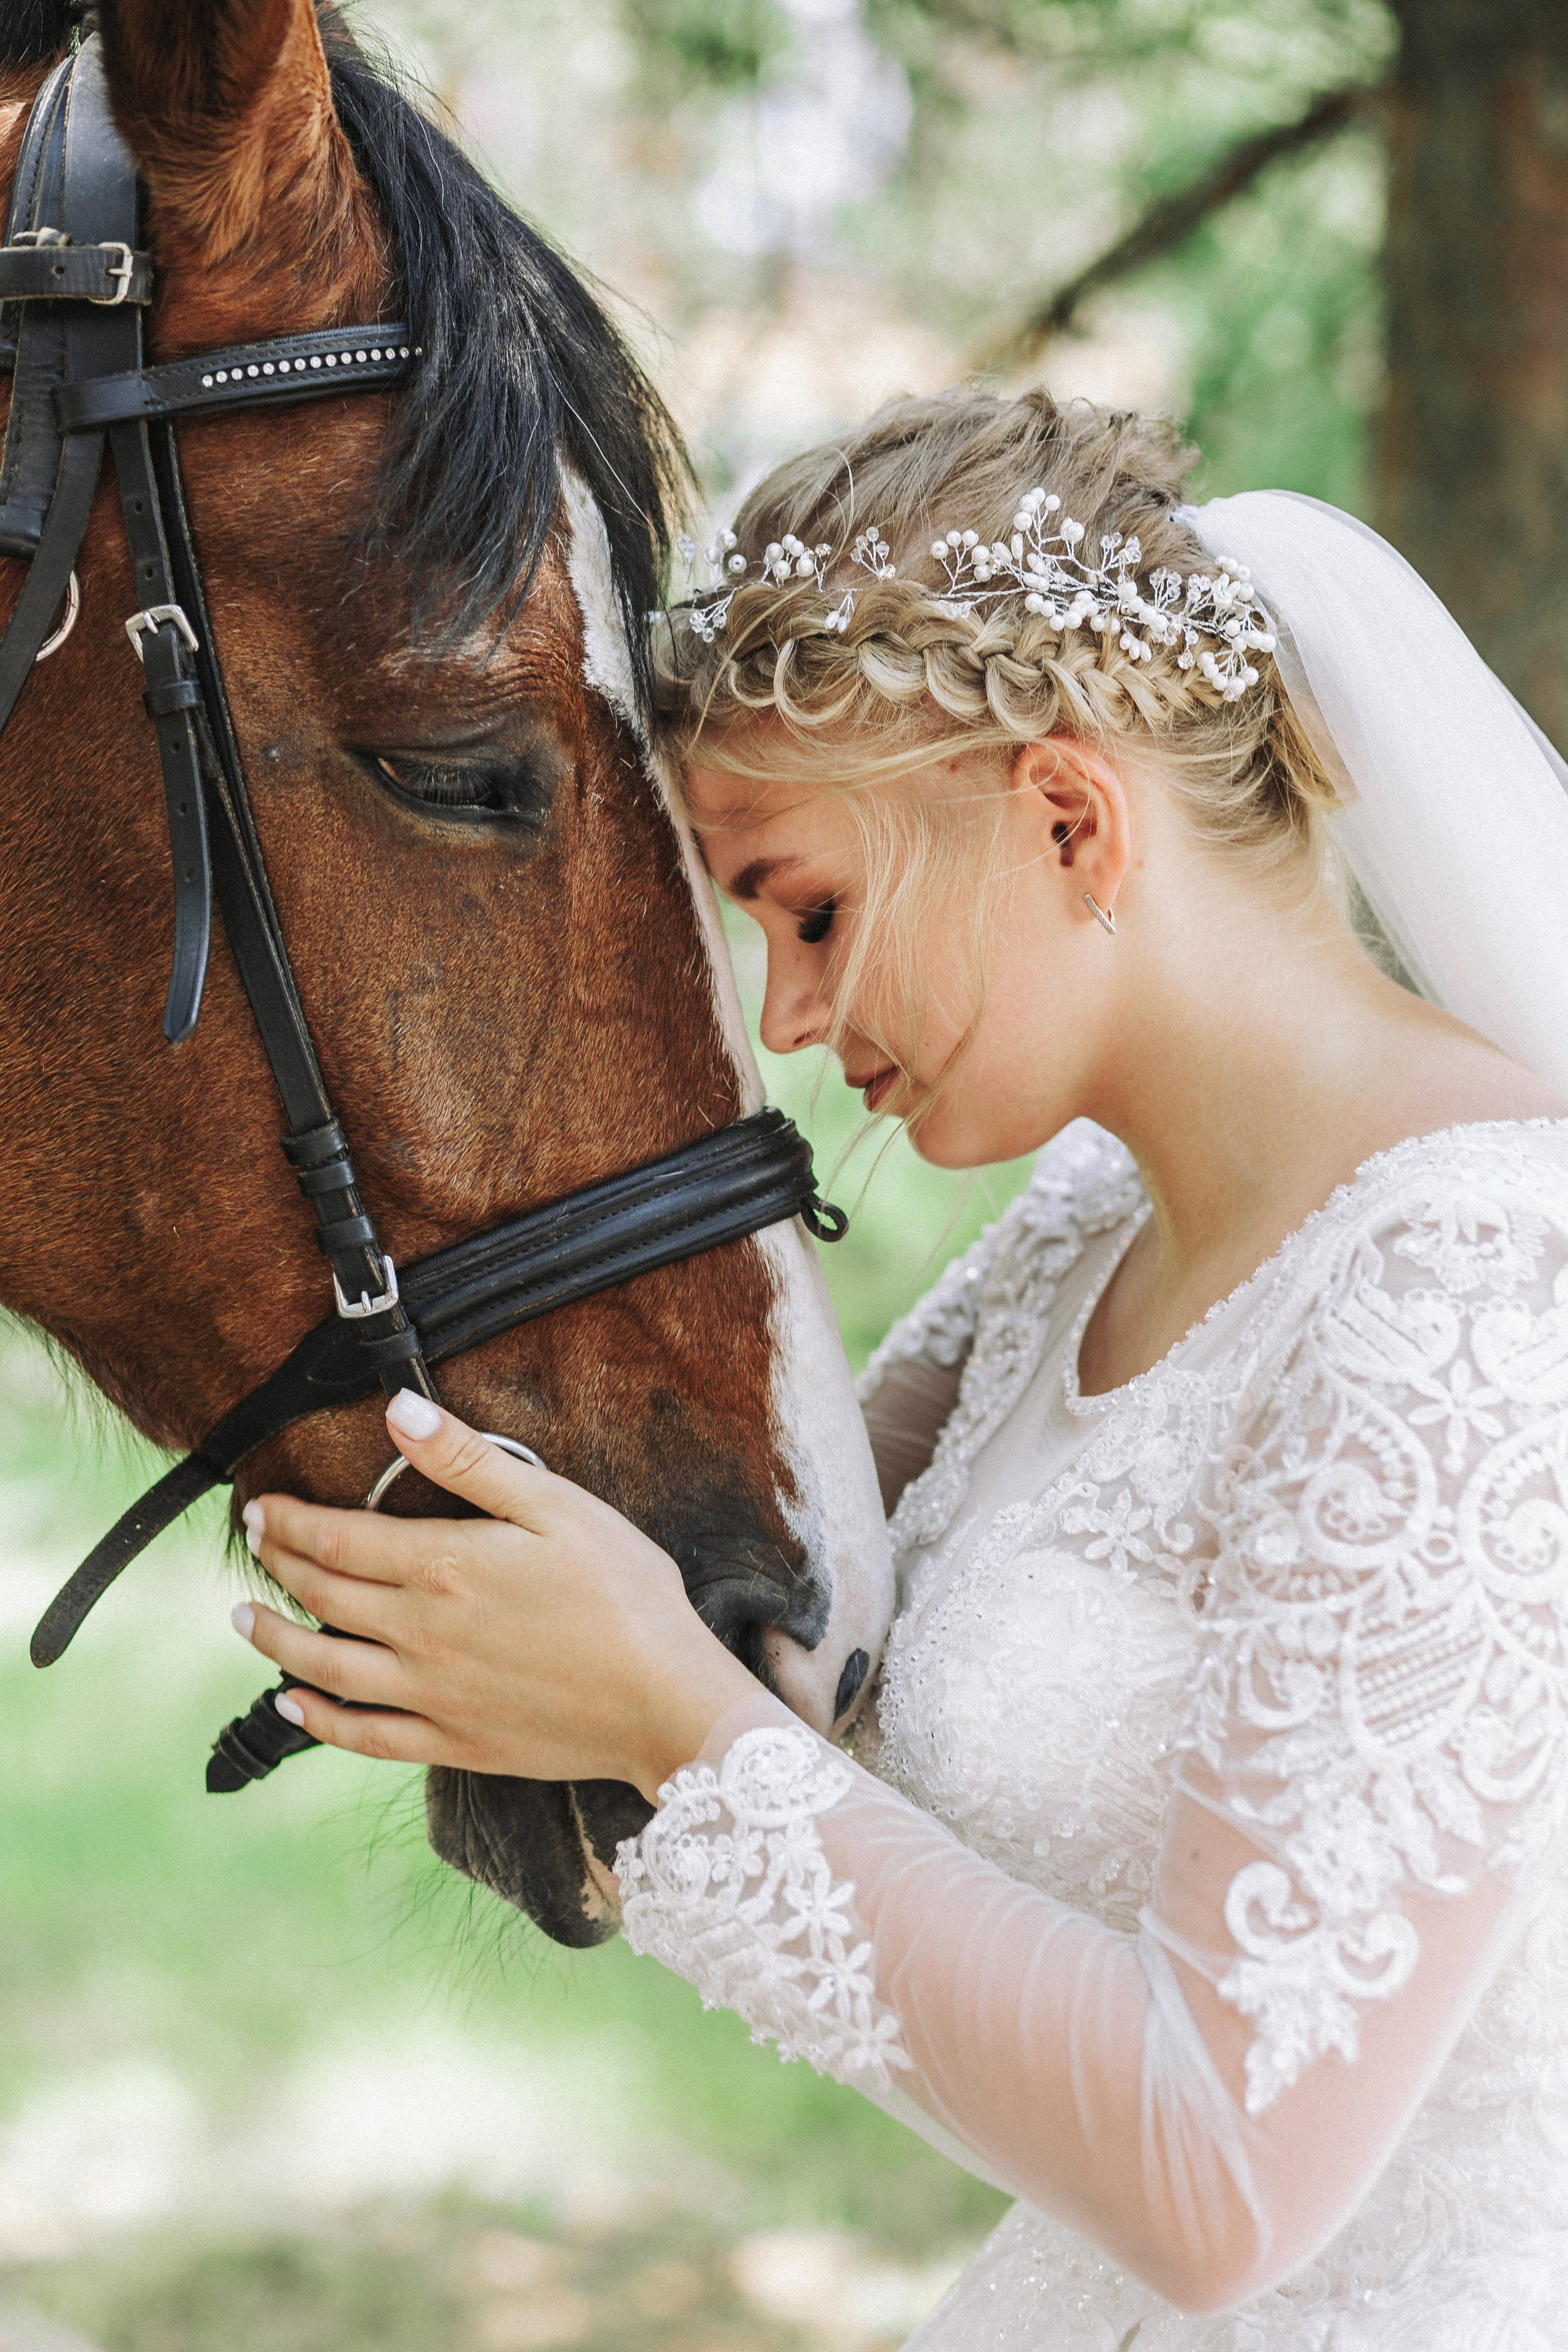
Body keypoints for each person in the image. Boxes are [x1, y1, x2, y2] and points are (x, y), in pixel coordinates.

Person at [232, 390, 1568, 2345]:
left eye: (813, 910)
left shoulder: (1474, 1290)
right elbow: (761, 1628)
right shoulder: (1086, 1234)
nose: (784, 1018)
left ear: (1067, 816)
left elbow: (1228, 2181)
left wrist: (675, 1726)